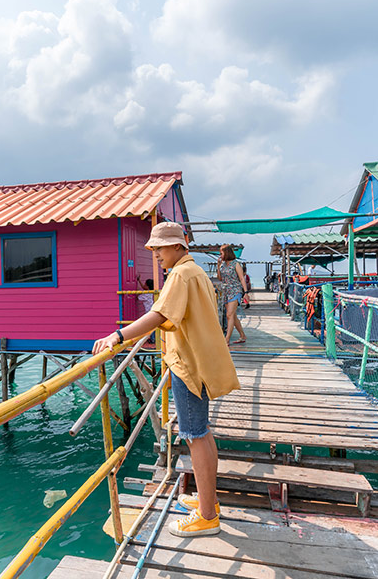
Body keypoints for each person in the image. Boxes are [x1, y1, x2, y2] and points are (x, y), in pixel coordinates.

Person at [93, 222, 239, 537]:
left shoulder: (180, 275)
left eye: (159, 248)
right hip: (199, 361)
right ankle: (207, 501)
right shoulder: (196, 272)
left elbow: (160, 315)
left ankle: (207, 516)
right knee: (202, 434)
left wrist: (118, 335)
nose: (155, 254)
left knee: (195, 436)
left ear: (177, 247)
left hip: (187, 364)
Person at [217, 244, 247, 345]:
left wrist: (245, 292)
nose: (220, 255)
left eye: (222, 253)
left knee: (229, 315)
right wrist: (218, 266)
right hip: (226, 291)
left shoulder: (235, 264)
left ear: (227, 253)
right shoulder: (223, 265)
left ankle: (226, 339)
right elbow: (220, 278)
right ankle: (242, 335)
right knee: (232, 316)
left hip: (235, 290)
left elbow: (242, 278)